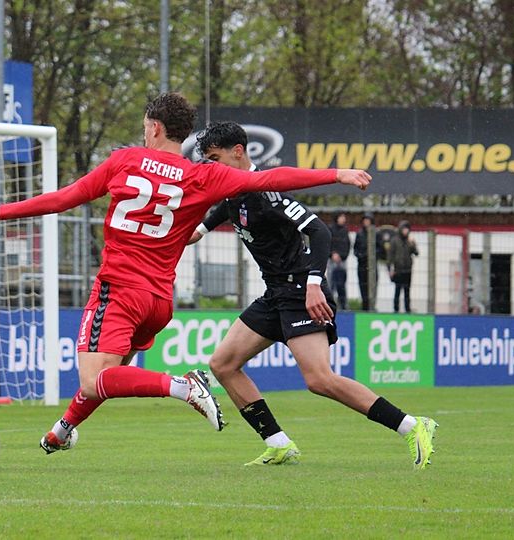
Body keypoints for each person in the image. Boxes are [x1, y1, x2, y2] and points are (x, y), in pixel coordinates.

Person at [0, 92, 372, 454]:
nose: (143, 134)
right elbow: (270, 178)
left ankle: (182, 386)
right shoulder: (202, 175)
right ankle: (61, 431)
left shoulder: (125, 161)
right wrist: (335, 174)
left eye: (145, 127)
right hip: (157, 302)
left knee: (94, 378)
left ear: (154, 127)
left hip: (119, 289)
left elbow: (66, 198)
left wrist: (0, 212)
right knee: (110, 376)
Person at [188, 122, 438, 468]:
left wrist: (314, 284)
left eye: (215, 158)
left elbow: (319, 231)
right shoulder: (233, 192)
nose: (211, 166)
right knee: (223, 365)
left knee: (319, 380)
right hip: (275, 294)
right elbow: (215, 217)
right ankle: (278, 444)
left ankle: (412, 425)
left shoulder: (269, 194)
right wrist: (189, 231)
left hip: (299, 291)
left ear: (238, 152)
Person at [388, 220, 418, 313]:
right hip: (398, 270)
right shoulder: (394, 240)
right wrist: (390, 269)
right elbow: (390, 256)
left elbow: (416, 253)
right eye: (404, 229)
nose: (406, 231)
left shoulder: (409, 241)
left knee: (407, 291)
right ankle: (396, 309)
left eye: (407, 229)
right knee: (397, 290)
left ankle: (407, 309)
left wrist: (413, 244)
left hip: (407, 270)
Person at [353, 213, 376, 311]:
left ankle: (372, 306)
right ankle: (364, 307)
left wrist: (372, 255)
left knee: (373, 287)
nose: (366, 222)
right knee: (362, 286)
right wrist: (362, 255)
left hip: (372, 267)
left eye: (368, 220)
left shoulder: (376, 234)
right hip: (362, 265)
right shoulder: (359, 234)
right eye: (365, 220)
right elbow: (355, 249)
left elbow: (380, 249)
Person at [328, 212, 350, 310]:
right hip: (332, 260)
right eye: (341, 217)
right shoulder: (330, 229)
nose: (343, 219)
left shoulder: (345, 231)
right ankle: (329, 304)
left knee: (342, 284)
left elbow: (348, 245)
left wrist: (343, 256)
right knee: (331, 283)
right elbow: (328, 243)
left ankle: (343, 305)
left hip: (342, 261)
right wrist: (332, 254)